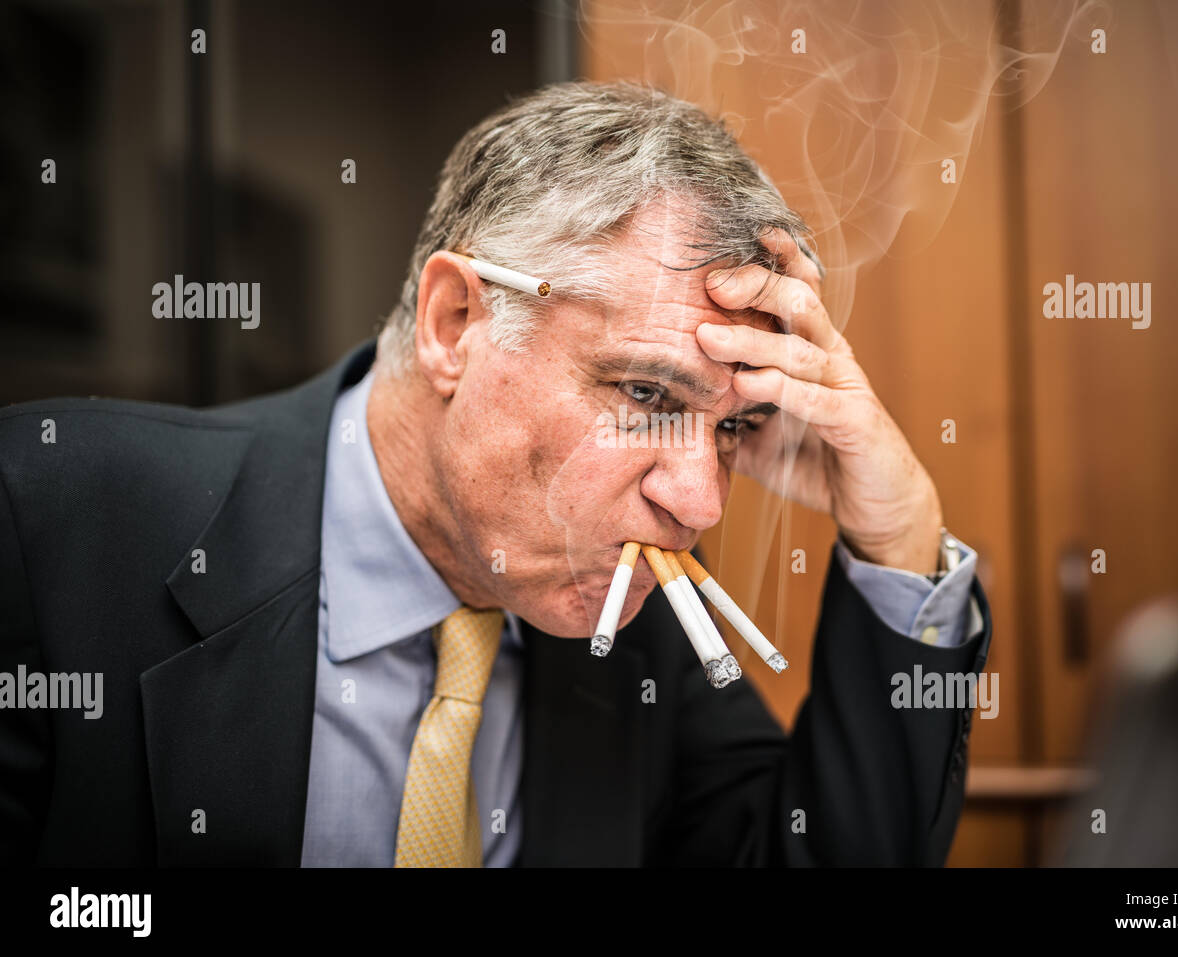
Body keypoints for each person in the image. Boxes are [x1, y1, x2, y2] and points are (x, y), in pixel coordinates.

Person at [0, 81, 991, 866]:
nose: (696, 504)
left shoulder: (639, 640)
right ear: (455, 324)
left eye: (734, 430)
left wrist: (898, 538)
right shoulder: (50, 525)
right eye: (645, 394)